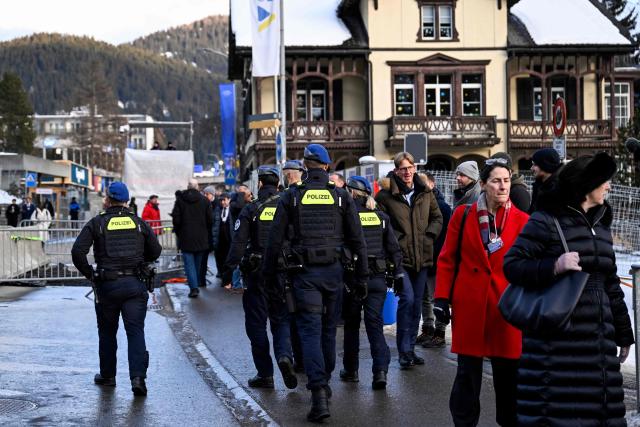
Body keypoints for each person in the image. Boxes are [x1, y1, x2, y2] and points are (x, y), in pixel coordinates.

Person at [503, 152, 634, 426]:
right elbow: (513, 265)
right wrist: (554, 265)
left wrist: (623, 332)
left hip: (599, 347)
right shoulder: (545, 220)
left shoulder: (601, 226)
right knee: (560, 415)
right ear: (586, 185)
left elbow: (610, 283)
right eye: (604, 182)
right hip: (557, 348)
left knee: (602, 414)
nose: (609, 186)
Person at [263, 144, 368, 422]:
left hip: (304, 275)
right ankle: (324, 382)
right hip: (334, 274)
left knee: (309, 332)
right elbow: (358, 240)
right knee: (328, 332)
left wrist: (267, 274)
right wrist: (362, 277)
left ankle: (319, 393)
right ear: (326, 166)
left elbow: (274, 240)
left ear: (305, 167)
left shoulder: (292, 196)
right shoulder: (341, 197)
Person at [433, 157, 529, 427]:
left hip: (506, 308)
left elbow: (530, 266)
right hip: (471, 306)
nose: (502, 186)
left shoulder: (523, 221)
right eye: (496, 181)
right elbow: (447, 259)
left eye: (507, 181)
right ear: (484, 184)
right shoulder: (463, 216)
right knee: (467, 375)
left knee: (509, 377)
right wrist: (441, 298)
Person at [71, 182, 162, 396]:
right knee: (135, 331)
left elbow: (77, 252)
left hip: (107, 286)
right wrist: (140, 261)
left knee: (107, 332)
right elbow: (156, 251)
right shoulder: (138, 223)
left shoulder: (98, 223)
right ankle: (138, 379)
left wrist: (90, 273)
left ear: (108, 199)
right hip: (135, 284)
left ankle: (108, 376)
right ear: (127, 201)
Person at [222, 166, 297, 390]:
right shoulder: (288, 205)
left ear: (260, 184)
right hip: (282, 271)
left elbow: (237, 243)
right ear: (278, 183)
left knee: (256, 324)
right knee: (281, 319)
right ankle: (285, 356)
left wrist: (228, 272)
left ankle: (265, 374)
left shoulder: (251, 209)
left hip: (257, 273)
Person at [375, 152, 443, 369]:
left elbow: (437, 217)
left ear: (415, 168)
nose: (407, 172)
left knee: (416, 307)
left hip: (422, 256)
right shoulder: (385, 196)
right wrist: (396, 242)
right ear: (396, 171)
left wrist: (429, 235)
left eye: (410, 167)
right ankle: (404, 351)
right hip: (400, 258)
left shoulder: (425, 191)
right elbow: (381, 227)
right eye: (403, 168)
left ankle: (411, 350)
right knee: (408, 300)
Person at [340, 176, 404, 390]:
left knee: (351, 325)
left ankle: (351, 371)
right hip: (377, 278)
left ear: (351, 193)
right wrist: (399, 274)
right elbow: (394, 249)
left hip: (353, 279)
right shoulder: (381, 217)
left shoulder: (346, 218)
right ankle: (380, 372)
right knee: (374, 324)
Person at [417, 172, 452, 349]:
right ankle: (428, 328)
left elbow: (445, 236)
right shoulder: (419, 204)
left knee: (437, 297)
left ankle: (440, 332)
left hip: (437, 258)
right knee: (425, 296)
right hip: (422, 258)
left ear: (432, 184)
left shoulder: (443, 208)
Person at [171, 179, 214, 298]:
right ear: (197, 187)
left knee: (189, 265)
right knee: (197, 264)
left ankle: (193, 287)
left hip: (186, 238)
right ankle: (195, 283)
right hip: (201, 238)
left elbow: (176, 219)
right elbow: (210, 220)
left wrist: (180, 232)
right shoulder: (205, 201)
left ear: (188, 186)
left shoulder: (180, 200)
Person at [529, 147, 562, 213]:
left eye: (535, 164)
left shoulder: (558, 190)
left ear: (545, 165)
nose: (531, 168)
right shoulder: (538, 186)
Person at [213, 193, 232, 284]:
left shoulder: (232, 210)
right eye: (221, 200)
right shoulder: (218, 210)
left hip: (229, 240)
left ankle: (227, 278)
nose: (223, 202)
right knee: (219, 258)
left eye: (224, 200)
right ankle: (221, 273)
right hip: (220, 240)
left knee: (228, 259)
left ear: (229, 200)